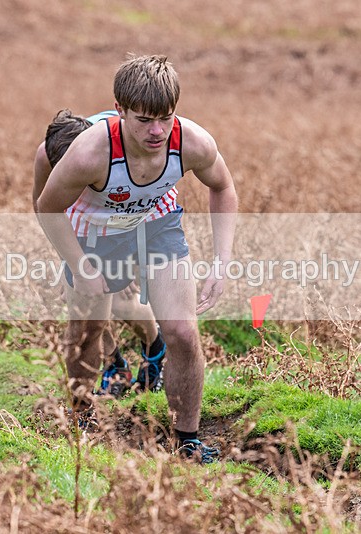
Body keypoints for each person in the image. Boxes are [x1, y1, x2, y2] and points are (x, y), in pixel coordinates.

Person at [37, 55, 238, 463]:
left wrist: (221, 261)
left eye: (165, 118)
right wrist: (78, 265)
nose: (157, 131)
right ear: (119, 108)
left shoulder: (193, 142)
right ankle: (82, 417)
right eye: (145, 119)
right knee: (88, 330)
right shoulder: (88, 153)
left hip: (157, 224)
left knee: (183, 332)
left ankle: (187, 442)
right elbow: (47, 207)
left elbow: (224, 188)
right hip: (94, 231)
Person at [33, 110, 167, 397]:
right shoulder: (46, 155)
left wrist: (131, 261)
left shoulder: (113, 152)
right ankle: (114, 364)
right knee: (84, 307)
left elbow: (147, 206)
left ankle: (155, 347)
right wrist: (70, 261)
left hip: (127, 217)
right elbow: (44, 208)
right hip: (80, 226)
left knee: (122, 302)